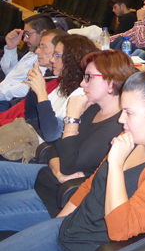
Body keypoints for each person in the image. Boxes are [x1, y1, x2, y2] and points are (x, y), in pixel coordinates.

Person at [0, 69, 145, 251]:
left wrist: (116, 165)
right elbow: (90, 185)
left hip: (93, 245)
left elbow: (119, 231)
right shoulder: (134, 139)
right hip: (71, 228)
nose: (121, 119)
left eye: (128, 112)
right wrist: (56, 226)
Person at [0, 50, 136, 233]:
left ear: (111, 83)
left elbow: (69, 166)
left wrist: (72, 118)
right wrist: (59, 173)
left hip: (58, 200)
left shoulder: (117, 127)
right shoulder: (93, 109)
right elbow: (57, 147)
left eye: (89, 78)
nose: (82, 83)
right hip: (50, 179)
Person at [24, 34, 99, 142]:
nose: (52, 60)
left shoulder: (82, 93)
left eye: (57, 55)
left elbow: (52, 134)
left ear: (72, 59)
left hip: (44, 153)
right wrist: (34, 88)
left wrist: (41, 92)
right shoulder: (64, 84)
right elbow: (32, 118)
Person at [0, 29, 67, 127]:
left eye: (43, 47)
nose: (37, 51)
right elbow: (11, 76)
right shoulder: (48, 75)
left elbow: (29, 120)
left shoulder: (56, 83)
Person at [0, 15, 56, 111]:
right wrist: (11, 48)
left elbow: (26, 87)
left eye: (28, 35)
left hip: (8, 102)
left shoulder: (47, 60)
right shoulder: (32, 52)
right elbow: (10, 74)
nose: (25, 39)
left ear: (43, 33)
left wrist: (1, 93)